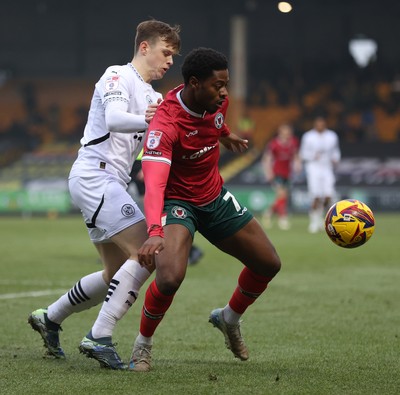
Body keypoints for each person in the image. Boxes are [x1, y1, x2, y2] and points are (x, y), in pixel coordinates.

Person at [28, 19, 181, 369]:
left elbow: (152, 143)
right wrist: (153, 122)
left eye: (173, 55)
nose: (170, 61)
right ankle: (99, 336)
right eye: (165, 52)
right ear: (144, 47)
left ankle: (49, 318)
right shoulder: (117, 75)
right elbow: (113, 118)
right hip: (95, 176)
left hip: (109, 182)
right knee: (148, 254)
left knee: (114, 273)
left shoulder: (154, 96)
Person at [127, 47, 282, 372]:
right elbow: (154, 185)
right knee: (169, 278)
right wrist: (154, 232)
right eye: (218, 85)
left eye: (226, 84)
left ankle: (229, 318)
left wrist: (225, 136)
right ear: (194, 83)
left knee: (268, 263)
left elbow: (214, 122)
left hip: (213, 195)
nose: (224, 92)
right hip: (178, 203)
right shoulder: (164, 125)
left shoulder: (216, 101)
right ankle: (143, 344)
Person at [299, 116, 341, 233]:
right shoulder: (308, 136)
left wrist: (336, 159)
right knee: (316, 195)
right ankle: (313, 220)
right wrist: (312, 155)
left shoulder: (332, 136)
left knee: (328, 195)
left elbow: (336, 151)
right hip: (313, 168)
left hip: (327, 167)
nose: (320, 126)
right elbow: (303, 153)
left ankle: (322, 216)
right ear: (315, 124)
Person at [261, 123, 301, 230]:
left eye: (288, 132)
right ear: (280, 133)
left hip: (288, 173)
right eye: (285, 132)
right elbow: (267, 158)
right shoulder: (274, 144)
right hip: (276, 173)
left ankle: (268, 212)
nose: (287, 134)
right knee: (281, 194)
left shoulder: (293, 142)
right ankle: (283, 218)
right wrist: (268, 172)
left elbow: (296, 155)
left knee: (282, 196)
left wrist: (298, 164)